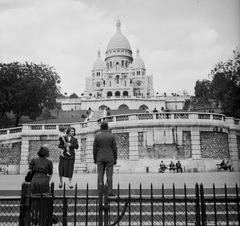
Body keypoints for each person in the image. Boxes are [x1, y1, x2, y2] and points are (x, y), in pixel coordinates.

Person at [28, 145, 54, 225]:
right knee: (44, 199)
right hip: (44, 180)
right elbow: (50, 174)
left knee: (34, 198)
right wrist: (46, 180)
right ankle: (42, 218)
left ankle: (34, 215)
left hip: (35, 179)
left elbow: (30, 171)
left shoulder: (34, 160)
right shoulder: (49, 162)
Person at [93, 121, 118, 196]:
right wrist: (115, 158)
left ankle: (100, 191)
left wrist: (95, 158)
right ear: (107, 127)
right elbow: (114, 148)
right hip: (110, 157)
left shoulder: (97, 136)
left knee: (100, 174)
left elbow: (94, 149)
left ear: (100, 128)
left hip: (100, 157)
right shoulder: (111, 136)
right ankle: (109, 191)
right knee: (109, 175)